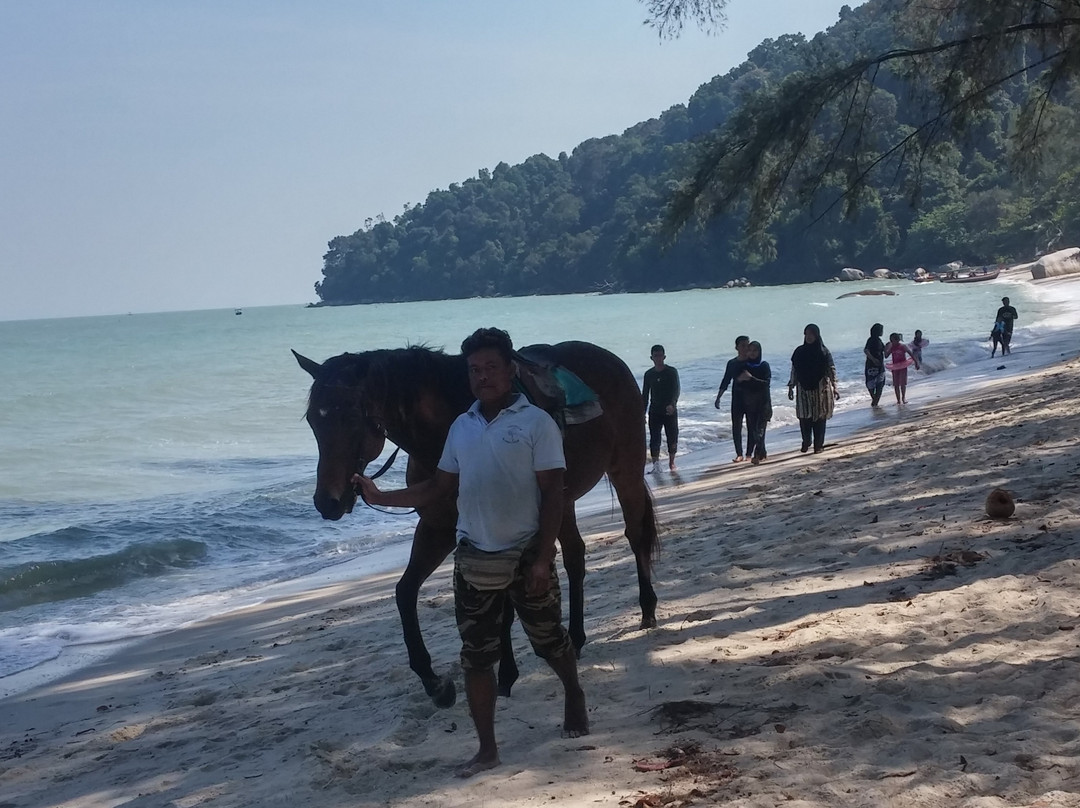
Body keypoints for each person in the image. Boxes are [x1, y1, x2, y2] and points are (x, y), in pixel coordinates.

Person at [355, 327, 588, 778]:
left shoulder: (536, 423)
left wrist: (543, 558)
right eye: (474, 370)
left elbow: (554, 495)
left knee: (549, 642)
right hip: (474, 557)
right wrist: (381, 497)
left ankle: (573, 693)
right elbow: (439, 488)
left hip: (525, 554)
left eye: (491, 368)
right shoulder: (461, 427)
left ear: (510, 371)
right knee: (476, 657)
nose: (483, 377)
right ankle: (486, 748)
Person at [787, 323, 839, 454]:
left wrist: (835, 387)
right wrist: (791, 386)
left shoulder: (823, 351)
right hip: (803, 389)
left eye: (811, 334)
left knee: (820, 417)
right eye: (806, 334)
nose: (809, 337)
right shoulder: (799, 352)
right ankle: (806, 441)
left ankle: (818, 445)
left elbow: (831, 370)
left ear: (817, 335)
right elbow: (794, 370)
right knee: (804, 417)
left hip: (821, 389)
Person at [642, 344, 680, 472]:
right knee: (654, 438)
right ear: (651, 358)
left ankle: (671, 463)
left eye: (660, 356)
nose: (658, 358)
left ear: (664, 356)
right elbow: (645, 394)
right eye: (655, 356)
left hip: (670, 410)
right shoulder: (648, 374)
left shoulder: (671, 371)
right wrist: (643, 413)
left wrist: (672, 404)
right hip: (655, 411)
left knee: (672, 436)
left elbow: (676, 389)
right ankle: (656, 465)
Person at [714, 336, 750, 461]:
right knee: (736, 427)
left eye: (747, 345)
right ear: (737, 348)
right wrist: (718, 397)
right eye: (743, 345)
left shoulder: (753, 361)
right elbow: (726, 380)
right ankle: (739, 454)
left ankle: (750, 453)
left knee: (752, 426)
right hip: (738, 398)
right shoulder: (732, 363)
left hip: (752, 398)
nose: (746, 348)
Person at [737, 340, 772, 465]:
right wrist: (741, 380)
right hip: (750, 404)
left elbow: (766, 384)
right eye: (750, 350)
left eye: (755, 351)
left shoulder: (764, 365)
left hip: (763, 403)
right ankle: (762, 453)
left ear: (759, 352)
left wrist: (751, 378)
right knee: (753, 430)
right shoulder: (745, 366)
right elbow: (740, 384)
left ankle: (757, 455)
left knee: (759, 430)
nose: (752, 353)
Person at [886, 332, 920, 404]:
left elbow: (911, 354)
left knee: (902, 383)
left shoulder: (903, 346)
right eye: (891, 341)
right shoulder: (892, 347)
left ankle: (903, 398)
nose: (892, 342)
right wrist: (887, 348)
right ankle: (898, 400)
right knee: (896, 384)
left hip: (903, 366)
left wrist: (916, 363)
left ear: (898, 340)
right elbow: (886, 356)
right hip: (895, 366)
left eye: (893, 340)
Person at [863, 323, 886, 408]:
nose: (882, 332)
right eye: (881, 330)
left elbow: (884, 351)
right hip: (871, 365)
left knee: (880, 383)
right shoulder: (871, 340)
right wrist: (873, 359)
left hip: (880, 365)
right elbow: (866, 350)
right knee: (870, 384)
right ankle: (874, 401)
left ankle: (875, 402)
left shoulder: (879, 341)